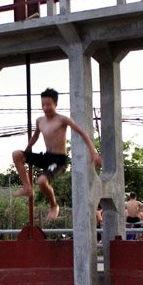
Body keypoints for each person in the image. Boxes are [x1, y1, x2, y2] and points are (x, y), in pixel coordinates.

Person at [12, 88, 102, 220]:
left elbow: (83, 134)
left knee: (42, 181)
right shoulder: (40, 121)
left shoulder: (63, 120)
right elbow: (35, 137)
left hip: (58, 160)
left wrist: (93, 153)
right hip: (46, 156)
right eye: (43, 105)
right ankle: (27, 188)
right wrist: (27, 151)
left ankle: (54, 206)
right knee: (16, 154)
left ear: (55, 104)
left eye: (48, 104)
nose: (45, 108)